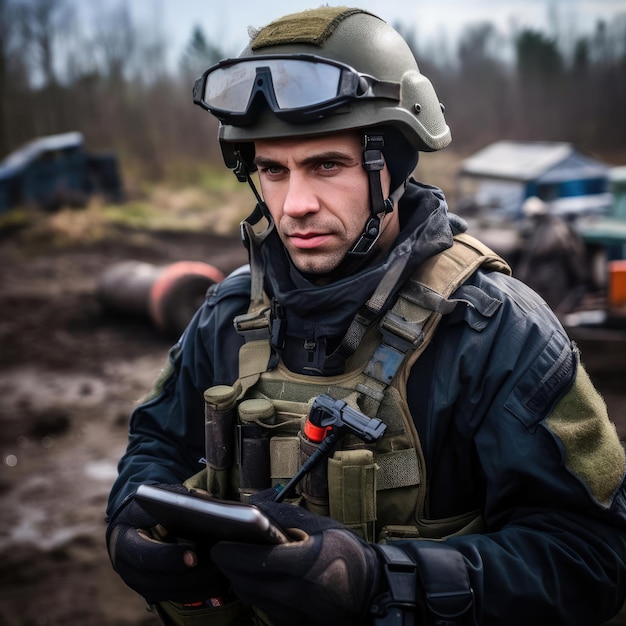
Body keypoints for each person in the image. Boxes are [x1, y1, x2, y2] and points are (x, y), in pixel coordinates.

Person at [105, 6, 626, 626]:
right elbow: (156, 444)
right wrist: (130, 523)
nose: (294, 205)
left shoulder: (495, 331)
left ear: (395, 167)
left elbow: (594, 553)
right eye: (273, 169)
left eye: (327, 165)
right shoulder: (227, 313)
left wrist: (385, 584)